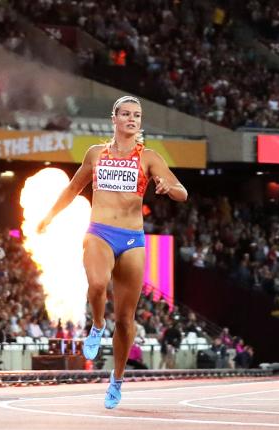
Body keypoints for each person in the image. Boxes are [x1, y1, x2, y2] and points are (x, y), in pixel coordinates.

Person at [37, 96, 188, 408]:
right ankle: (96, 324)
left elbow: (182, 192)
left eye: (137, 115)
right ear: (114, 118)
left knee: (125, 319)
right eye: (126, 114)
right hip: (100, 232)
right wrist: (49, 216)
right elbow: (73, 189)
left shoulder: (149, 157)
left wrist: (166, 189)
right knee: (96, 285)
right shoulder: (96, 154)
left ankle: (116, 381)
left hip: (132, 238)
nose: (132, 119)